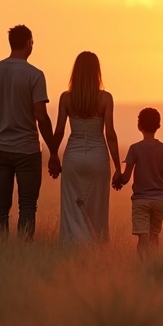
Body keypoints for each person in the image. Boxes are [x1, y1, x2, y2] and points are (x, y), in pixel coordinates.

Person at [0, 25, 58, 240]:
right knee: (28, 204)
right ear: (29, 43)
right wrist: (53, 151)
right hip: (27, 150)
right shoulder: (35, 75)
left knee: (1, 203)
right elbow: (41, 117)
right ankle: (24, 248)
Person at [48, 51, 119, 243]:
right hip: (98, 158)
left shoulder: (66, 98)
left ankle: (73, 244)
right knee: (97, 206)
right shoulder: (106, 98)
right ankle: (96, 244)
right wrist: (118, 168)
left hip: (73, 157)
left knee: (71, 206)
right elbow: (110, 135)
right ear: (97, 72)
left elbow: (59, 131)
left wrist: (53, 155)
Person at [113, 108, 163, 258]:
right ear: (158, 126)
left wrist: (117, 178)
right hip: (159, 200)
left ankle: (142, 264)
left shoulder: (134, 149)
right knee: (154, 236)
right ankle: (154, 263)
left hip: (140, 200)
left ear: (139, 126)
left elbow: (126, 178)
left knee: (143, 238)